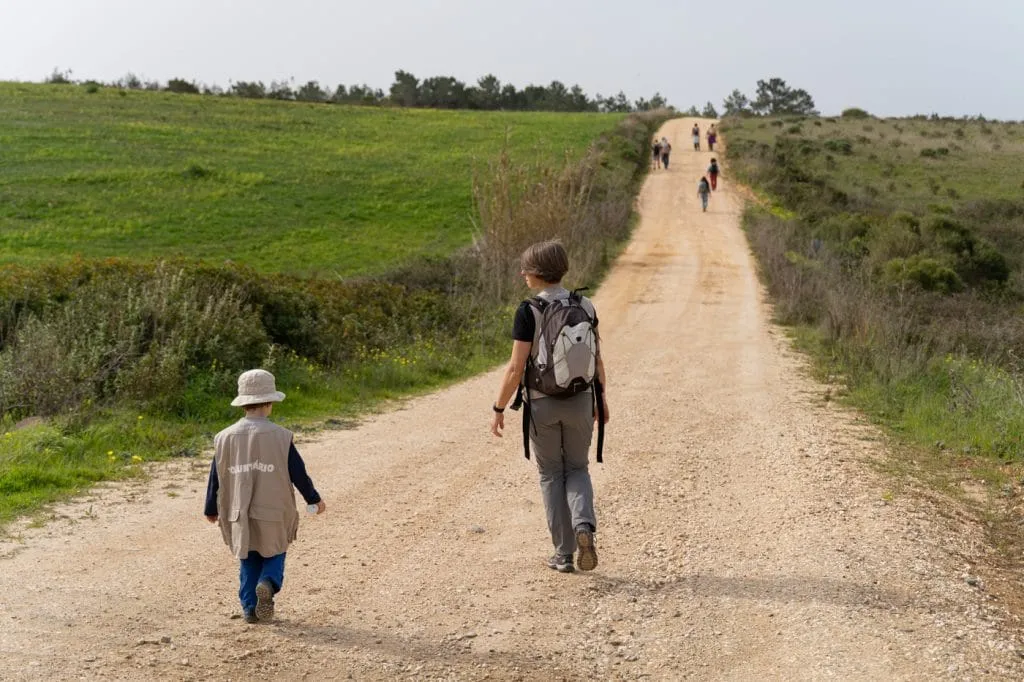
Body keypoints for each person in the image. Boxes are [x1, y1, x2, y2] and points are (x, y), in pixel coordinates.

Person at [491, 241, 609, 574]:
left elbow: (516, 369)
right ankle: (584, 525)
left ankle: (563, 554)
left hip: (542, 404)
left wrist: (499, 408)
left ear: (537, 274)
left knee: (551, 474)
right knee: (578, 468)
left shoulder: (528, 311)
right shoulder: (585, 304)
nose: (522, 274)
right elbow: (597, 359)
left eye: (525, 269)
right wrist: (602, 400)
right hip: (582, 399)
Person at [204, 369, 326, 624]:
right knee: (275, 552)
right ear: (269, 403)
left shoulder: (223, 438)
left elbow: (216, 476)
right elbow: (298, 473)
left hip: (239, 512)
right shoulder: (281, 437)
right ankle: (268, 583)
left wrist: (210, 508)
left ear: (243, 404)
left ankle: (249, 608)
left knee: (248, 559)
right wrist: (313, 499)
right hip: (274, 511)